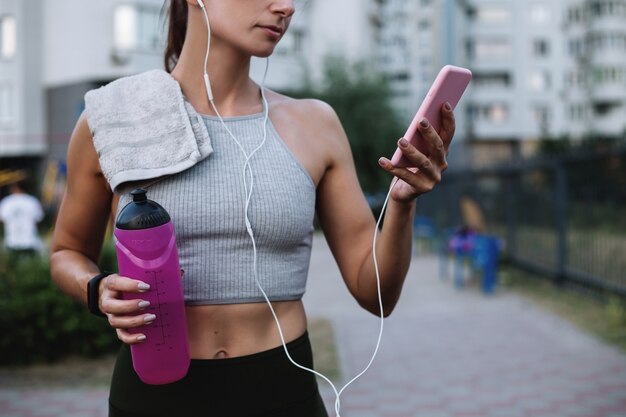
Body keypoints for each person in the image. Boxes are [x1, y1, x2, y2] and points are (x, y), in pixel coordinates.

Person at [49, 1, 457, 416]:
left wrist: (403, 204)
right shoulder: (115, 118)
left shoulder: (315, 125)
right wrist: (97, 289)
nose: (286, 7)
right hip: (154, 390)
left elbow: (376, 295)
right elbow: (66, 252)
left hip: (280, 389)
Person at [0, 180, 44, 257]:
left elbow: (3, 219)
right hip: (30, 241)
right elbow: (38, 220)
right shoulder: (32, 201)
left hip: (11, 241)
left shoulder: (6, 202)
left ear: (14, 188)